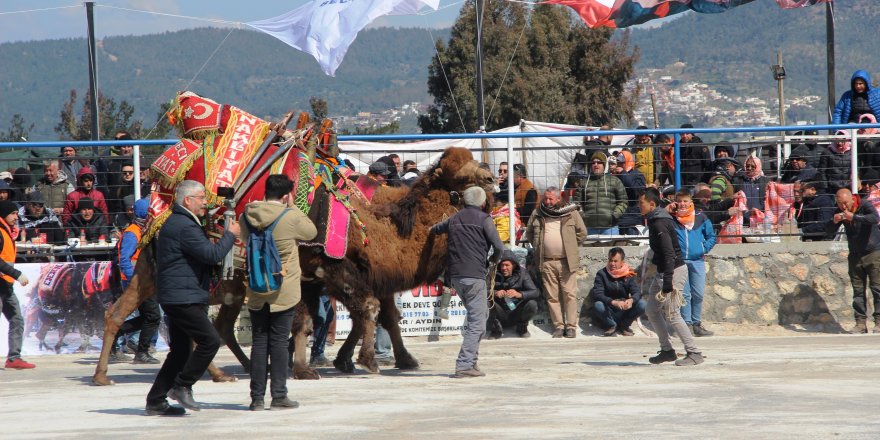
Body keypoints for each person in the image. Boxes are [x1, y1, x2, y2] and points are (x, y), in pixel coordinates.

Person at [145, 180, 240, 416]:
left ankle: (156, 401)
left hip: (180, 294)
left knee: (180, 352)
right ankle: (182, 385)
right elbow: (211, 255)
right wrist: (230, 235)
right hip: (182, 297)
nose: (205, 204)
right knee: (210, 341)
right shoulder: (184, 226)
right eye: (201, 199)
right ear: (188, 200)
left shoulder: (182, 222)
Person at [241, 174, 317, 410]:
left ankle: (256, 399)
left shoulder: (247, 214)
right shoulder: (291, 215)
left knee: (259, 342)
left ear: (266, 191)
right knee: (279, 343)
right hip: (284, 289)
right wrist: (293, 207)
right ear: (286, 195)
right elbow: (311, 233)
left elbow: (244, 239)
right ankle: (279, 396)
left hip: (256, 287)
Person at [430, 186, 504, 378]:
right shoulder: (484, 219)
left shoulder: (454, 218)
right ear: (482, 203)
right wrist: (493, 260)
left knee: (480, 316)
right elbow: (498, 246)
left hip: (456, 277)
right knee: (477, 323)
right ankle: (464, 364)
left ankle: (472, 362)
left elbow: (434, 229)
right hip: (475, 276)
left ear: (464, 201)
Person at [638, 187, 703, 366]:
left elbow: (668, 253)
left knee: (673, 314)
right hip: (665, 271)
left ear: (651, 204)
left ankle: (694, 352)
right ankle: (667, 350)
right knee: (651, 310)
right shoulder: (656, 218)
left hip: (672, 271)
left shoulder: (659, 222)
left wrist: (668, 280)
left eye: (641, 203)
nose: (639, 206)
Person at [525, 187, 587, 338]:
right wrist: (540, 246)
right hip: (546, 262)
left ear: (558, 199)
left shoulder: (571, 212)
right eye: (545, 198)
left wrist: (571, 246)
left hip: (567, 261)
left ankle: (571, 327)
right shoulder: (538, 213)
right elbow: (530, 233)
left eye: (551, 199)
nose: (547, 201)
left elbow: (582, 233)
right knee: (552, 296)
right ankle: (558, 326)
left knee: (569, 295)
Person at [109, 197, 161, 364]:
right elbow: (124, 259)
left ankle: (114, 337)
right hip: (137, 283)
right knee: (152, 316)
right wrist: (135, 281)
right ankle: (141, 352)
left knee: (148, 316)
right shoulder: (133, 232)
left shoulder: (142, 231)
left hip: (141, 281)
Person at [826, 188, 880, 334]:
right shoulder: (839, 210)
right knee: (857, 291)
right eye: (839, 204)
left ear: (851, 199)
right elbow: (828, 231)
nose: (843, 207)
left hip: (873, 252)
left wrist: (854, 217)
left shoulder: (864, 205)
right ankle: (860, 323)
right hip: (855, 254)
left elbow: (875, 218)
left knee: (877, 289)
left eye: (845, 203)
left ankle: (879, 322)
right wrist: (834, 221)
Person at [668, 190, 716, 337]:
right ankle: (687, 324)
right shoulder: (671, 219)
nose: (682, 204)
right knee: (685, 295)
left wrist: (703, 248)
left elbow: (711, 237)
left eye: (685, 201)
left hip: (697, 261)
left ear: (691, 202)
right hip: (680, 262)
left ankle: (696, 324)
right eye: (679, 201)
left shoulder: (701, 218)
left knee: (698, 293)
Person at [0, 201, 35, 369]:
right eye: (13, 213)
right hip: (2, 283)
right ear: (4, 213)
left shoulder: (6, 231)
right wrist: (17, 275)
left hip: (5, 285)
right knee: (16, 318)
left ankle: (14, 358)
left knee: (17, 319)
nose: (16, 216)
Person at [590, 247, 645, 336]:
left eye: (615, 261)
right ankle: (612, 325)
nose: (612, 263)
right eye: (610, 260)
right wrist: (612, 302)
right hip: (609, 310)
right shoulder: (602, 274)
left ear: (622, 261)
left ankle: (624, 325)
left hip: (624, 309)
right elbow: (597, 293)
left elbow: (637, 292)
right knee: (598, 305)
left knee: (643, 304)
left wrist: (631, 300)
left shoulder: (629, 274)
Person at [487, 249, 539, 339]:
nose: (504, 268)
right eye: (502, 265)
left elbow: (535, 292)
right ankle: (496, 330)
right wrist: (495, 293)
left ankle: (521, 328)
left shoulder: (523, 273)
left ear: (514, 265)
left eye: (507, 265)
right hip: (499, 311)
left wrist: (519, 294)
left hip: (516, 311)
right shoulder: (492, 273)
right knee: (485, 302)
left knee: (532, 304)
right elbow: (483, 290)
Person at [574, 151, 627, 235]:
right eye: (593, 162)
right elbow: (577, 203)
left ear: (604, 165)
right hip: (588, 227)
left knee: (611, 248)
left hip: (610, 227)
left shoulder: (615, 181)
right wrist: (583, 216)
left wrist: (614, 215)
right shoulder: (583, 183)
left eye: (599, 162)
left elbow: (623, 201)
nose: (595, 165)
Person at [610, 150, 646, 235]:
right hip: (618, 218)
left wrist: (623, 173)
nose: (619, 165)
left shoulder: (637, 175)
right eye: (618, 162)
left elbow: (637, 190)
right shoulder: (615, 175)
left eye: (622, 162)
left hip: (632, 218)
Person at [819, 131, 854, 196]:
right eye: (837, 140)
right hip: (832, 188)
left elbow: (856, 169)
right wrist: (825, 187)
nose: (839, 143)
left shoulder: (852, 152)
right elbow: (822, 171)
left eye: (842, 140)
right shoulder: (827, 152)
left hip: (848, 187)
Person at [679, 124, 711, 188]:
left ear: (692, 134)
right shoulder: (679, 146)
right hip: (683, 182)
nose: (684, 136)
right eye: (682, 134)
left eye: (687, 133)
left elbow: (707, 163)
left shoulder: (700, 146)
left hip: (697, 182)